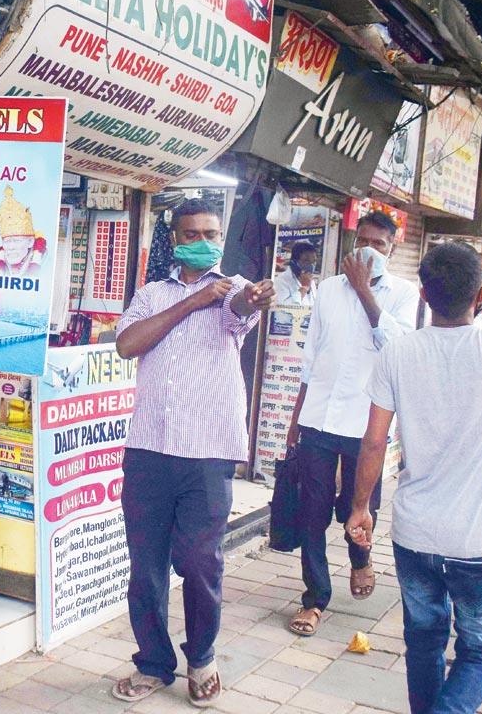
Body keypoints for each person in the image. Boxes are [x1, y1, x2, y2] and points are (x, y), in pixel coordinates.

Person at [346, 243, 482, 714]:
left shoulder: (398, 353)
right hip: (480, 540)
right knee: (481, 653)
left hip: (416, 534)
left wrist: (360, 506)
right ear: (479, 295)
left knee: (424, 645)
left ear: (424, 294)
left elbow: (372, 442)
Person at [111, 198, 274, 708]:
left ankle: (201, 656)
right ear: (176, 240)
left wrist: (245, 299)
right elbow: (127, 344)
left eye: (210, 231)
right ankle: (154, 663)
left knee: (202, 562)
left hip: (207, 455)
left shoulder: (235, 291)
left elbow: (242, 313)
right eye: (192, 233)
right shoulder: (151, 294)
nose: (202, 240)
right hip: (149, 452)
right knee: (146, 567)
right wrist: (190, 302)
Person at [283, 211, 419, 637]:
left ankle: (360, 559)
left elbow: (398, 347)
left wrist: (364, 291)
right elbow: (311, 359)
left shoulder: (403, 293)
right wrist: (295, 419)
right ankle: (314, 599)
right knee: (312, 512)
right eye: (363, 240)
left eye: (379, 244)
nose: (368, 250)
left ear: (392, 250)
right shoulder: (326, 290)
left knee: (359, 507)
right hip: (319, 417)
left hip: (367, 422)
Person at [273, 241, 318, 306]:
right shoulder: (281, 281)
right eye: (306, 261)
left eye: (314, 261)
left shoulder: (311, 281)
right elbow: (283, 310)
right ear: (294, 262)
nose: (311, 265)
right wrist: (304, 288)